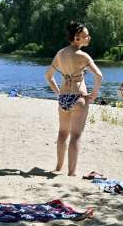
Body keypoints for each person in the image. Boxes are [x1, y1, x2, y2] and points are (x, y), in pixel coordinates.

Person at [45, 21, 102, 176]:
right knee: (75, 136)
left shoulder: (60, 54)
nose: (89, 38)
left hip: (63, 97)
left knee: (62, 133)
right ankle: (71, 173)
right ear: (77, 38)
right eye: (86, 36)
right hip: (79, 97)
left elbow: (48, 76)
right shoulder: (83, 56)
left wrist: (58, 92)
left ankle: (58, 167)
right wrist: (93, 95)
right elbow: (99, 76)